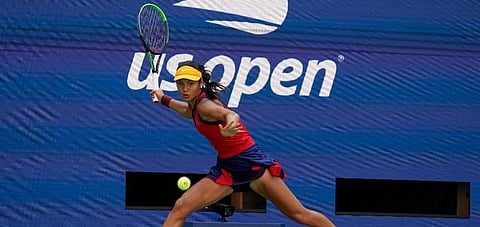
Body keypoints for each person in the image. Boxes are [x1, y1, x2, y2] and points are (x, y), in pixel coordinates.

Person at [150, 60, 335, 227]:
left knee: (300, 215)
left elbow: (230, 114)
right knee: (181, 207)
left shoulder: (206, 106)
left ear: (201, 84)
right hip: (228, 168)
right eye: (180, 84)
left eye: (190, 84)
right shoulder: (194, 105)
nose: (184, 89)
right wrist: (163, 99)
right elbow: (187, 112)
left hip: (251, 164)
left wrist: (231, 124)